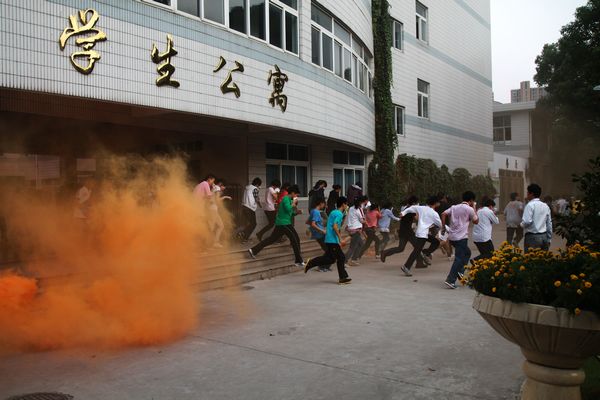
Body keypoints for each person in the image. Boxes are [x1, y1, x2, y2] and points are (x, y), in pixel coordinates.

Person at [248, 185, 304, 267]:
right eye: (296, 195)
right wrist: (294, 203)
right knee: (295, 239)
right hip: (284, 223)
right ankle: (298, 261)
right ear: (292, 193)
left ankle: (253, 250)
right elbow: (288, 209)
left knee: (271, 240)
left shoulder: (289, 200)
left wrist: (297, 212)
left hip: (282, 223)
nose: (296, 197)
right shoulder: (285, 199)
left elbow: (290, 213)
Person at [304, 196, 352, 285]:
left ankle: (310, 263)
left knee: (330, 259)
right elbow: (334, 226)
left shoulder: (333, 212)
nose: (347, 206)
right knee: (341, 257)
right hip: (332, 240)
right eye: (346, 204)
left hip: (330, 239)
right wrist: (340, 239)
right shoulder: (339, 214)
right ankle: (342, 278)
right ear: (343, 204)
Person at [442, 191, 479, 289]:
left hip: (452, 237)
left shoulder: (454, 207)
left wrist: (443, 227)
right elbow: (476, 221)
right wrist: (474, 208)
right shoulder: (469, 209)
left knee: (467, 253)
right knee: (459, 258)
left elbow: (443, 214)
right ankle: (450, 280)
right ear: (471, 200)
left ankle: (460, 273)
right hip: (461, 237)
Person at [397, 196, 442, 277]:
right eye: (438, 202)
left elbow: (411, 208)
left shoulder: (422, 208)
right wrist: (433, 224)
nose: (439, 203)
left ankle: (424, 253)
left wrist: (403, 213)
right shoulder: (434, 214)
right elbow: (439, 224)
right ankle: (406, 266)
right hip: (423, 234)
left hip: (420, 232)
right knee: (417, 251)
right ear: (435, 203)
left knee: (436, 242)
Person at [380, 196, 418, 263]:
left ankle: (385, 252)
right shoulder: (411, 209)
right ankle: (419, 262)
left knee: (401, 248)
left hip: (404, 231)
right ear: (414, 203)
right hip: (408, 231)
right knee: (417, 247)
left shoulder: (407, 208)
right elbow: (417, 218)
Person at [521, 183, 552, 252]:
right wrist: (549, 238)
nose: (527, 194)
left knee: (531, 260)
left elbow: (527, 221)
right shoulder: (545, 206)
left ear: (531, 194)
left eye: (527, 193)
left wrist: (521, 225)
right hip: (544, 237)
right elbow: (549, 224)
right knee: (543, 260)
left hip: (532, 237)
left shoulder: (530, 205)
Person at [307, 198, 332, 272]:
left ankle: (325, 266)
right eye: (324, 203)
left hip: (319, 234)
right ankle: (321, 266)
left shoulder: (313, 211)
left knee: (329, 251)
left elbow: (308, 221)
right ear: (320, 203)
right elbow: (313, 224)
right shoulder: (316, 212)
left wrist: (311, 228)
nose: (324, 205)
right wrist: (322, 230)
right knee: (329, 251)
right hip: (320, 235)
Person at [345, 195, 368, 266]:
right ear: (362, 202)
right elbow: (362, 220)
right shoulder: (359, 209)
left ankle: (354, 259)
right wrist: (366, 223)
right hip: (356, 230)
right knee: (352, 247)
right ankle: (344, 261)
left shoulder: (351, 208)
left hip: (351, 228)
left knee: (360, 244)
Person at [209, 178, 232, 248]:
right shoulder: (217, 188)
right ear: (221, 184)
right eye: (224, 186)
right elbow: (217, 200)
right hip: (212, 209)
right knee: (212, 227)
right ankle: (209, 244)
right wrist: (225, 197)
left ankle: (214, 242)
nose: (224, 188)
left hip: (212, 209)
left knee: (220, 226)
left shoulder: (214, 187)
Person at [240, 177, 262, 243]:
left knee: (249, 223)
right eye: (259, 185)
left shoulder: (247, 187)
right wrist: (260, 205)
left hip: (244, 206)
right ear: (257, 184)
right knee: (253, 224)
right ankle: (243, 236)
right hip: (250, 208)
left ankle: (244, 236)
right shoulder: (255, 189)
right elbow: (256, 198)